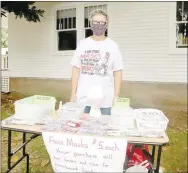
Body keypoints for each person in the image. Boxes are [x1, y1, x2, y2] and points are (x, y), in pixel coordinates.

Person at [70, 9, 123, 115]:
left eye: (102, 22)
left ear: (106, 24)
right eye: (95, 22)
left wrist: (116, 96)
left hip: (105, 100)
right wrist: (73, 92)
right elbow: (76, 69)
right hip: (83, 99)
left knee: (103, 128)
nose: (98, 25)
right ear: (91, 24)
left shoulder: (113, 46)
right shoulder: (83, 44)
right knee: (82, 128)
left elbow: (118, 72)